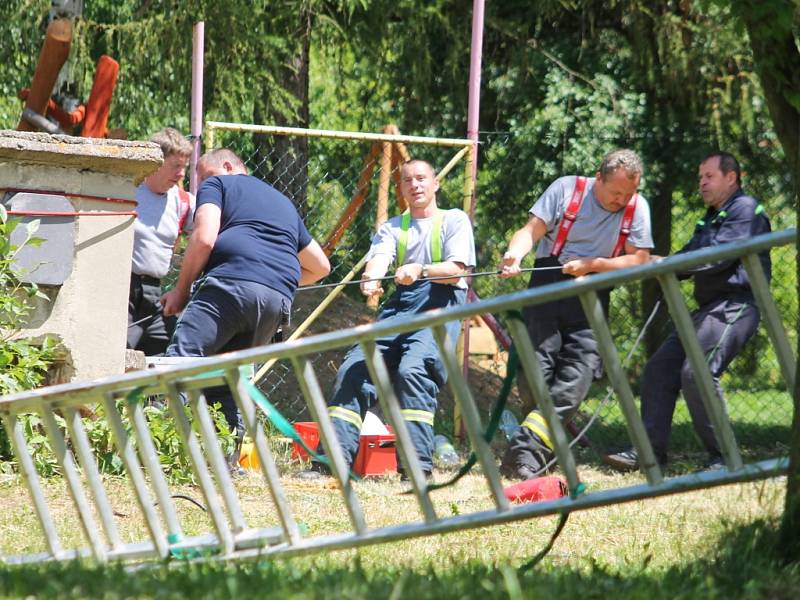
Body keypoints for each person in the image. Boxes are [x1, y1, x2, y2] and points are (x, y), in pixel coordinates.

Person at [302, 159, 476, 479]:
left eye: (422, 178)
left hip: (439, 310)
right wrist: (372, 278)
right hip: (398, 310)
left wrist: (420, 270)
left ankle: (416, 468)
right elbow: (379, 258)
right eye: (408, 181)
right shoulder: (394, 227)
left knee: (414, 370)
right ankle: (331, 463)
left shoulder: (454, 220)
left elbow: (458, 272)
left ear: (435, 183)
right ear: (402, 189)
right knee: (353, 369)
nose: (415, 185)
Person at [604, 152, 771, 472]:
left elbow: (719, 256)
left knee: (697, 372)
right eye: (700, 177)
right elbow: (689, 257)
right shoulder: (710, 216)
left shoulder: (745, 210)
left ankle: (723, 458)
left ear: (731, 178)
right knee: (659, 370)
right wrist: (658, 264)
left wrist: (667, 265)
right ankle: (649, 454)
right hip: (707, 310)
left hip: (735, 307)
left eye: (709, 176)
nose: (702, 183)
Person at [161, 148, 330, 462]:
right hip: (277, 303)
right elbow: (320, 266)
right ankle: (227, 462)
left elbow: (205, 238)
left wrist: (181, 291)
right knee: (227, 380)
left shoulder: (219, 185)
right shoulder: (283, 203)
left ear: (226, 166)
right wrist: (273, 281)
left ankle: (157, 449)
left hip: (230, 285)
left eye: (202, 176)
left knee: (182, 360)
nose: (200, 186)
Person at [498, 149, 654, 480]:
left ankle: (522, 453)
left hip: (592, 298)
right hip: (547, 289)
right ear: (599, 178)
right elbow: (529, 231)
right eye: (616, 192)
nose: (621, 200)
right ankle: (534, 456)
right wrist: (514, 255)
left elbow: (640, 258)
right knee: (534, 379)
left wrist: (595, 265)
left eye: (628, 194)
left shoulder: (637, 207)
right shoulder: (567, 190)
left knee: (576, 378)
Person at [128, 127, 195, 355]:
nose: (181, 174)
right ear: (156, 162)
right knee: (119, 353)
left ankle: (154, 393)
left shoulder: (183, 201)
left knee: (164, 351)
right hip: (125, 288)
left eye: (184, 167)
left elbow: (208, 235)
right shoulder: (128, 190)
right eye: (176, 166)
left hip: (155, 293)